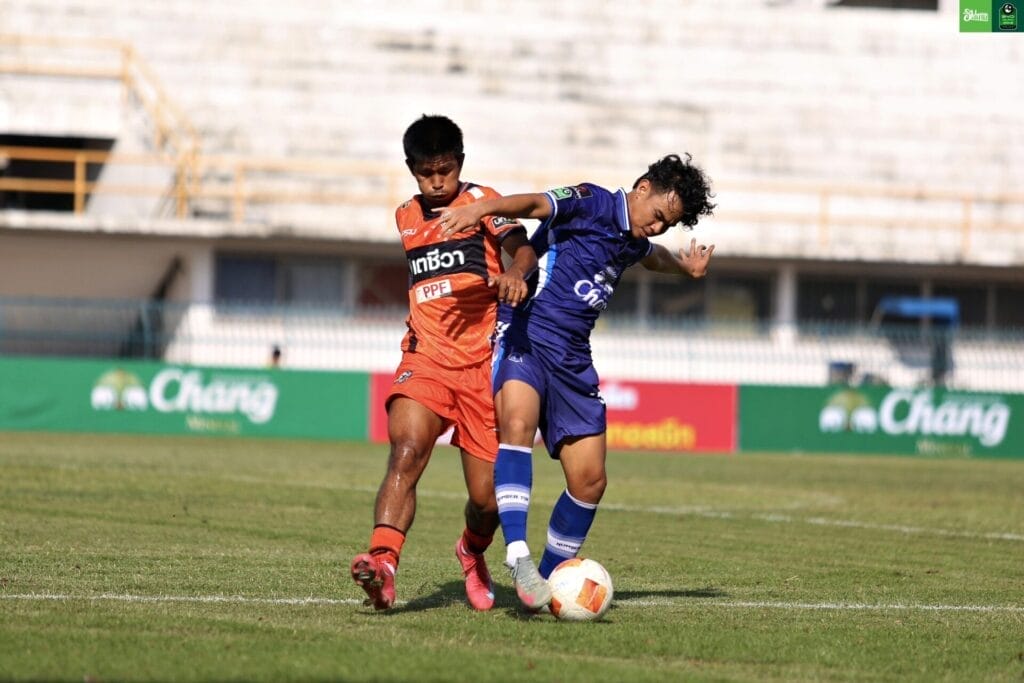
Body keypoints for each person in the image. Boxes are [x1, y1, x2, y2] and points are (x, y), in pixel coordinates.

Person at [436, 153, 716, 609]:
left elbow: (653, 258)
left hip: (573, 357)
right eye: (658, 215)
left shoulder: (633, 240)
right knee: (518, 427)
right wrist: (480, 209)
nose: (658, 227)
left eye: (668, 224)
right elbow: (535, 205)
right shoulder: (592, 201)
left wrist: (686, 268)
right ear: (643, 188)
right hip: (527, 330)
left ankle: (546, 582)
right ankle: (518, 555)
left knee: (590, 481)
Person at [350, 115, 537, 611]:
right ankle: (383, 565)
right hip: (426, 358)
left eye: (446, 170)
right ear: (411, 169)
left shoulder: (482, 202)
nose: (437, 181)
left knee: (487, 501)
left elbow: (523, 251)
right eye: (426, 172)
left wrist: (515, 274)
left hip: (484, 366)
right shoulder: (406, 217)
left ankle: (471, 551)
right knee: (407, 450)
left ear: (461, 163)